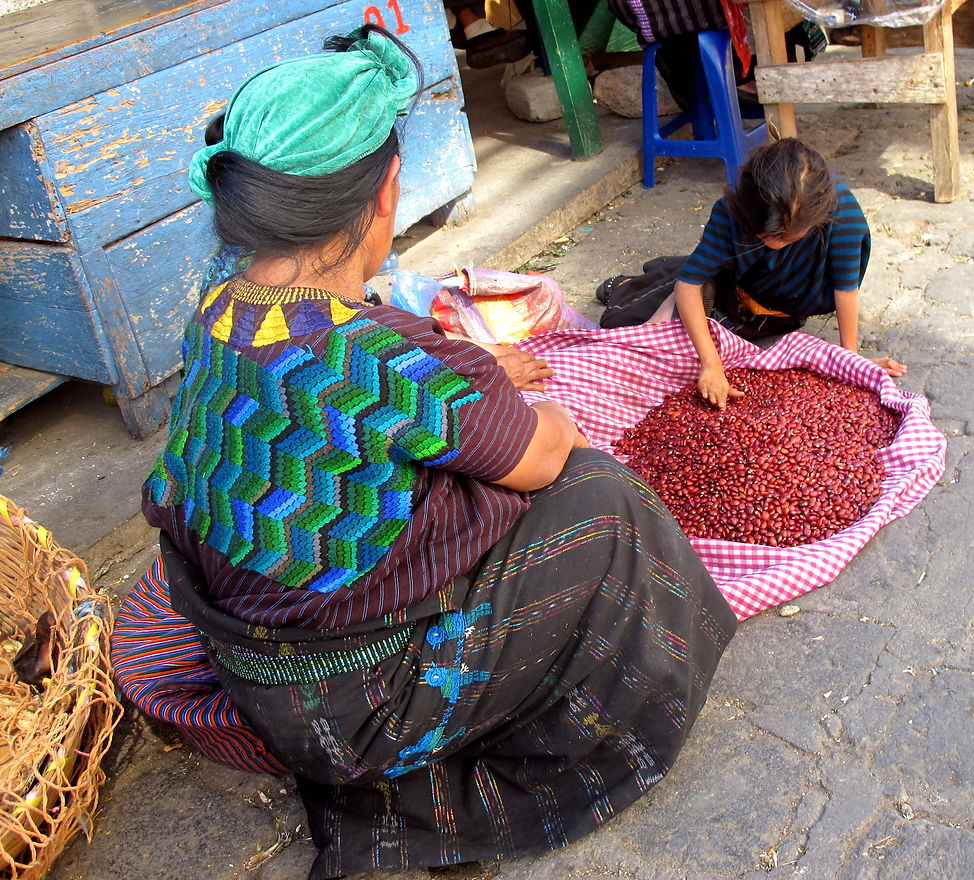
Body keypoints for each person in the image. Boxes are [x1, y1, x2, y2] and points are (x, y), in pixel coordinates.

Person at [110, 25, 737, 880]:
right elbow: (543, 456)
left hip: (257, 674)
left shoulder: (218, 311)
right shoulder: (381, 359)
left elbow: (331, 422)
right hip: (356, 711)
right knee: (603, 496)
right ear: (385, 194)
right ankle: (511, 764)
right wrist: (533, 406)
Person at [599, 137, 907, 410]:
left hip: (779, 306)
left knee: (695, 333)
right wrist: (711, 364)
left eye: (784, 238)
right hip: (735, 282)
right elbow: (689, 286)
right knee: (632, 326)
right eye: (764, 235)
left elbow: (845, 289)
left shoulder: (843, 217)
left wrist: (850, 361)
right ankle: (631, 286)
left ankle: (674, 271)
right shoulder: (735, 209)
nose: (772, 242)